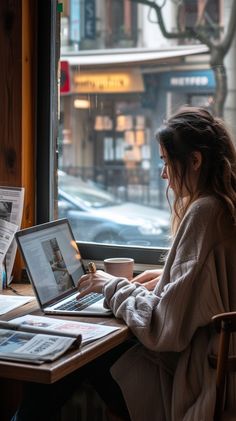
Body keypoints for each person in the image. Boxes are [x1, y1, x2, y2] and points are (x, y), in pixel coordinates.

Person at [12, 106, 236, 421]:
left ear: (195, 161)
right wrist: (162, 279)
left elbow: (165, 328)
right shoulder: (225, 207)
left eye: (165, 161)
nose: (163, 174)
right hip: (212, 365)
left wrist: (111, 286)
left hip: (198, 379)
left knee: (77, 352)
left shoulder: (205, 212)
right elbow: (204, 288)